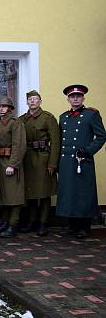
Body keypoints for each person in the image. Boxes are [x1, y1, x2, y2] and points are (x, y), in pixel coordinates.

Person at [56, 85, 106, 238]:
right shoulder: (63, 117)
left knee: (83, 193)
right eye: (72, 96)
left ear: (83, 98)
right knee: (69, 192)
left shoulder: (91, 115)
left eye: (78, 96)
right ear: (68, 99)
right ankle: (72, 226)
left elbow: (102, 136)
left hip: (82, 160)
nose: (75, 98)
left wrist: (88, 150)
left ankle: (84, 227)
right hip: (66, 161)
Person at [18, 90, 60, 236]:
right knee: (30, 192)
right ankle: (31, 222)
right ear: (27, 102)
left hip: (43, 158)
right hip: (27, 158)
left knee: (44, 192)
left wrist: (53, 163)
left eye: (35, 99)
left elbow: (56, 142)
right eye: (30, 99)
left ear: (40, 101)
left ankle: (43, 223)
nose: (32, 102)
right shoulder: (22, 119)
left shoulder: (48, 118)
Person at [0, 96, 26, 238]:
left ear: (10, 108)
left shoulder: (15, 122)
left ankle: (13, 225)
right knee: (4, 195)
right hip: (0, 161)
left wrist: (13, 164)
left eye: (4, 106)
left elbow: (19, 145)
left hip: (11, 161)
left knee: (14, 195)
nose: (1, 109)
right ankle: (5, 222)